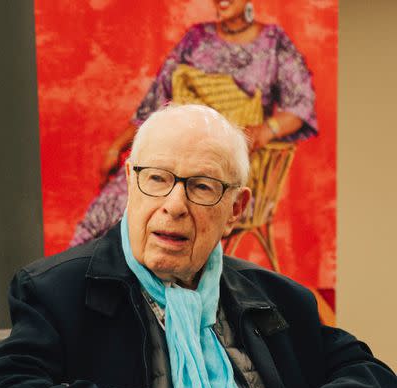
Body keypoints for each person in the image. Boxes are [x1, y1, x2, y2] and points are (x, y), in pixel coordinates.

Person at [0, 105, 396, 388]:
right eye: (157, 178)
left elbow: (373, 379)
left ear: (237, 208)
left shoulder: (276, 297)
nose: (174, 204)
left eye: (201, 186)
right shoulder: (57, 289)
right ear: (129, 181)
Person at [70, 0, 317, 247]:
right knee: (117, 205)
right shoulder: (196, 38)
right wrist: (116, 147)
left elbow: (301, 104)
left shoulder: (274, 43)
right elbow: (156, 102)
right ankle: (89, 276)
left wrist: (266, 129)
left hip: (228, 168)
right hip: (174, 157)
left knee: (176, 203)